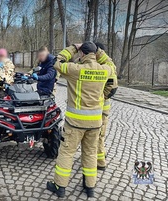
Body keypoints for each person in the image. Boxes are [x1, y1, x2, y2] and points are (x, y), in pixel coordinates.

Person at [46, 42, 114, 198]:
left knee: (67, 153)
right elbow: (111, 64)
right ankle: (90, 187)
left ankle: (60, 186)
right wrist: (99, 51)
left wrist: (73, 48)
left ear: (82, 54)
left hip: (75, 124)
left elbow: (56, 61)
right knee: (90, 154)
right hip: (95, 123)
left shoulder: (75, 70)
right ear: (95, 54)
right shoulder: (105, 70)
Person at [94, 42, 118, 170]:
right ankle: (99, 156)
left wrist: (100, 96)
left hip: (100, 107)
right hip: (103, 107)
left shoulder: (104, 68)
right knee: (100, 134)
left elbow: (112, 88)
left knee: (98, 135)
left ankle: (100, 161)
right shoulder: (108, 66)